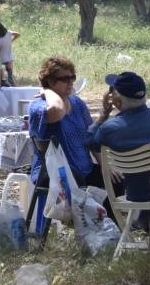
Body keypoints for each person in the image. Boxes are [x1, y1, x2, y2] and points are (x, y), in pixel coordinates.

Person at [27, 56, 100, 189]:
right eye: (65, 79)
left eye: (72, 77)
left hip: (84, 170)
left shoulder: (77, 103)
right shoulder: (38, 107)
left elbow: (91, 136)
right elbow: (57, 110)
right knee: (73, 179)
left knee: (115, 181)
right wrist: (48, 91)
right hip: (52, 172)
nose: (71, 82)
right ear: (50, 81)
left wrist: (105, 167)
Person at [86, 71, 150, 205]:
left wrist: (104, 114)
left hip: (133, 195)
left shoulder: (109, 128)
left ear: (117, 101)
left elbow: (89, 141)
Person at [0, 21, 19, 86]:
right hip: (9, 59)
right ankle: (14, 89)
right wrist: (12, 40)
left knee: (2, 80)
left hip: (1, 61)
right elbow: (17, 34)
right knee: (10, 77)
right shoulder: (8, 33)